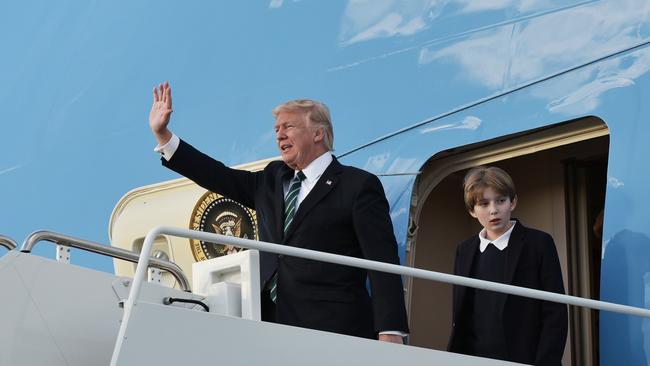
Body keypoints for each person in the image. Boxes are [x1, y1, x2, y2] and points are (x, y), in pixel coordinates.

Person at [148, 82, 409, 343]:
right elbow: (218, 175)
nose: (279, 135)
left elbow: (382, 261)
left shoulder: (357, 185)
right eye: (276, 129)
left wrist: (390, 330)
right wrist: (165, 137)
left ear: (318, 133)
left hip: (336, 328)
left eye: (289, 127)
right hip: (272, 327)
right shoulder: (272, 180)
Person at [447, 166, 568, 365]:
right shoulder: (465, 250)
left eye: (500, 200)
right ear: (472, 211)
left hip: (525, 358)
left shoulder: (538, 243)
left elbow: (555, 312)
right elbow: (462, 312)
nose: (493, 210)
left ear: (513, 202)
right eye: (484, 204)